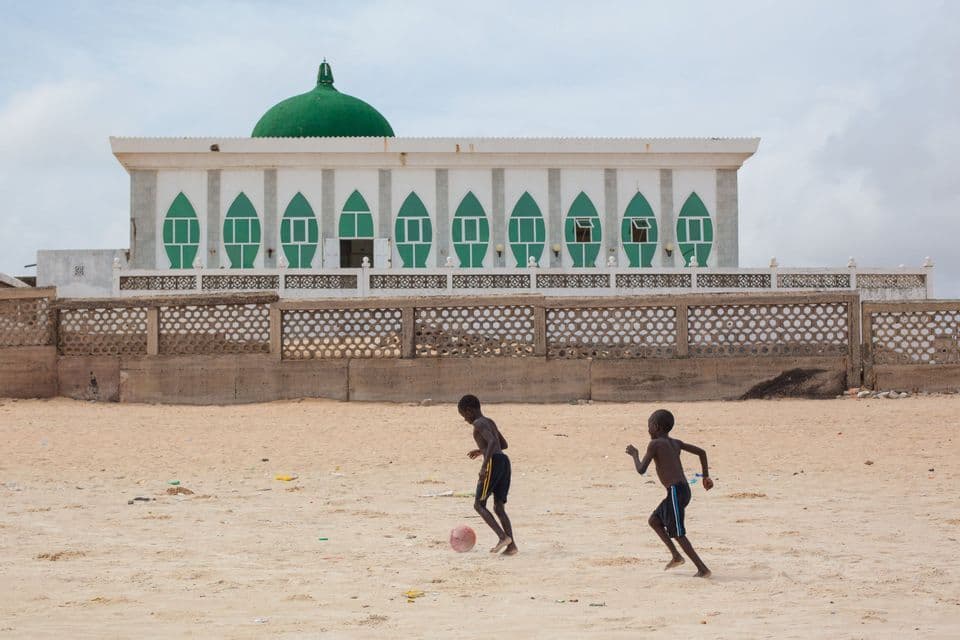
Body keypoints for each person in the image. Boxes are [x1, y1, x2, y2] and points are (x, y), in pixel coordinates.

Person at [625, 409, 713, 577]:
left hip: (675, 491)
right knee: (654, 521)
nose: (648, 429)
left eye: (649, 425)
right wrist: (705, 476)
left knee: (678, 533)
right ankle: (676, 556)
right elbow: (702, 452)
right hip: (682, 490)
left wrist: (635, 455)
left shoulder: (655, 444)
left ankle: (702, 569)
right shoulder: (675, 442)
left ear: (656, 427)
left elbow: (641, 470)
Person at [458, 394, 517, 555]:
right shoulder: (489, 421)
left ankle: (502, 537)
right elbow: (503, 444)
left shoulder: (478, 423)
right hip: (504, 462)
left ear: (469, 410)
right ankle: (512, 546)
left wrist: (484, 466)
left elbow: (492, 442)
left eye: (464, 415)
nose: (465, 420)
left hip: (493, 463)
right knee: (498, 507)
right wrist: (481, 450)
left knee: (479, 504)